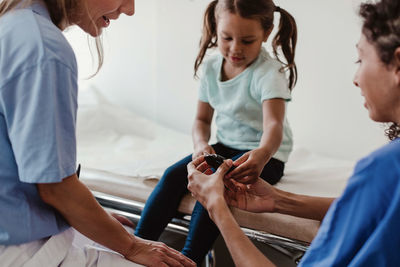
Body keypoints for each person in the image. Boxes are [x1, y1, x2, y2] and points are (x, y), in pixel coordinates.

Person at [186, 0, 400, 266]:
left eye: (361, 58)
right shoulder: (386, 173)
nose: (355, 78)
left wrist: (217, 207)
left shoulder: (384, 170)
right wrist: (279, 200)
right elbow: (367, 206)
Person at [0, 0, 195, 266]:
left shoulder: (13, 23)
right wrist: (131, 246)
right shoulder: (44, 48)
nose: (130, 9)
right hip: (22, 250)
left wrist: (90, 218)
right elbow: (56, 188)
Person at [134, 0, 298, 264]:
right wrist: (200, 145)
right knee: (173, 175)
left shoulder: (269, 73)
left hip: (266, 155)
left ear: (266, 35)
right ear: (215, 29)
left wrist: (262, 155)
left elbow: (274, 126)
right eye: (227, 38)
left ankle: (190, 259)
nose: (235, 48)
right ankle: (137, 244)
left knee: (215, 186)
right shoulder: (211, 67)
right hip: (225, 145)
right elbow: (201, 120)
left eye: (247, 41)